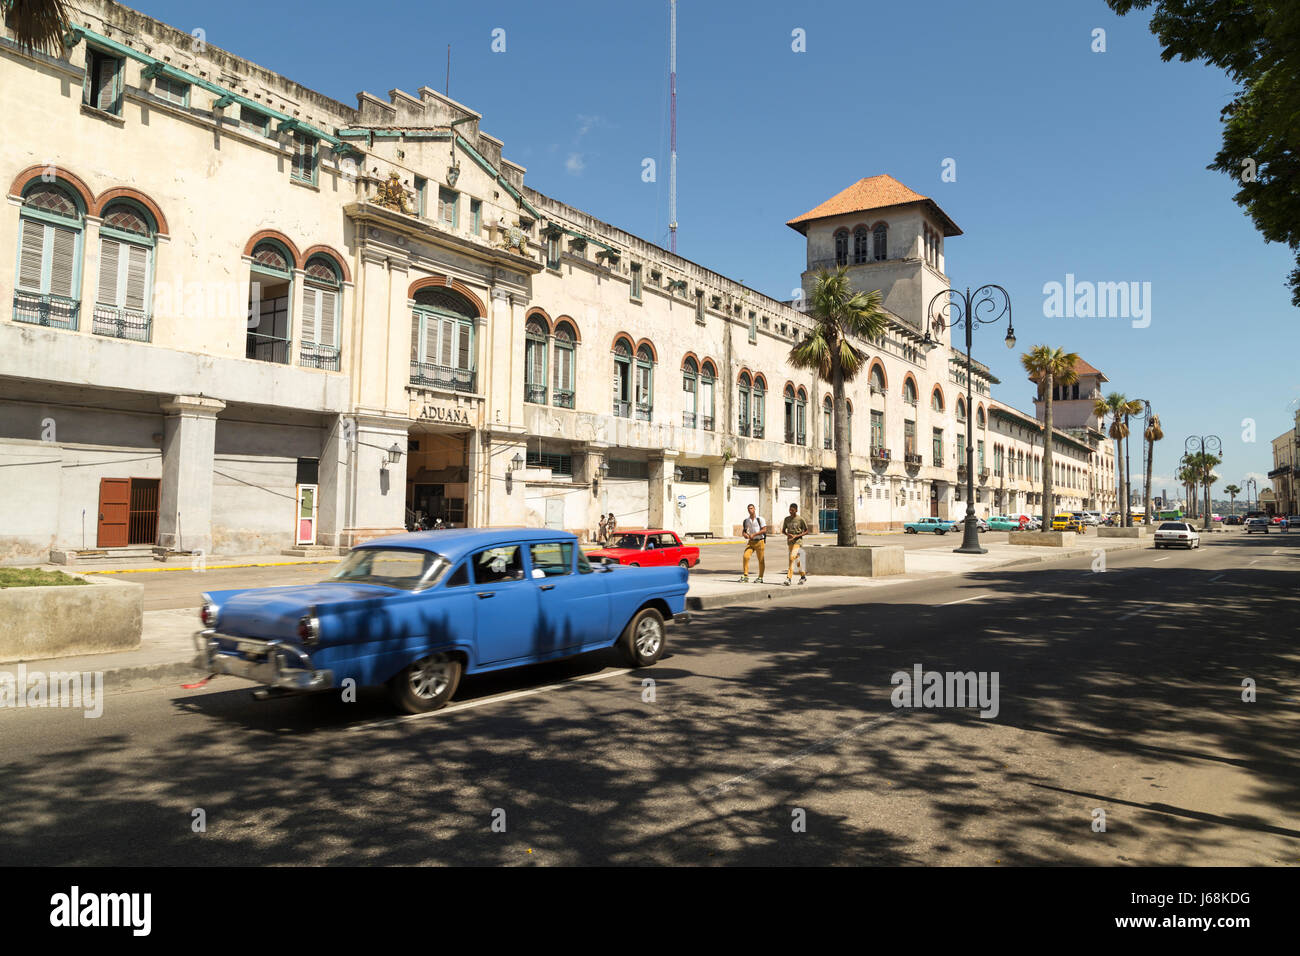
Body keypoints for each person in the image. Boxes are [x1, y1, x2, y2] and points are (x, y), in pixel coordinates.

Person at [782, 502, 809, 585]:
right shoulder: (786, 519)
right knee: (797, 561)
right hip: (790, 542)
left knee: (791, 557)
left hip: (798, 542)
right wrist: (788, 534)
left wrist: (797, 536)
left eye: (792, 510)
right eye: (790, 510)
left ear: (796, 510)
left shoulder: (800, 519)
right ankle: (803, 576)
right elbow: (783, 531)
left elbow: (807, 531)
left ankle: (788, 578)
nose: (791, 511)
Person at [739, 503, 766, 583]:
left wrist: (754, 534)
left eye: (751, 508)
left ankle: (760, 577)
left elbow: (764, 530)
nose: (750, 510)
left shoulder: (760, 519)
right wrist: (746, 535)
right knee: (745, 556)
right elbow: (744, 531)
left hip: (759, 541)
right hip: (751, 542)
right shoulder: (747, 520)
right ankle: (745, 575)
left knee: (761, 560)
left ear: (754, 509)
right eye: (749, 509)